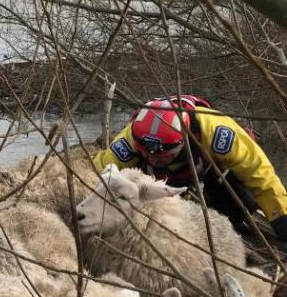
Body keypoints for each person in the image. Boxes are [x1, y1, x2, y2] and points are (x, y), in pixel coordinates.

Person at [94, 95, 287, 243]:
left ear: (183, 140)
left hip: (211, 175)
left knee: (242, 198)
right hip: (155, 183)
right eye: (147, 153)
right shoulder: (131, 137)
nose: (153, 157)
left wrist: (281, 218)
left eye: (161, 155)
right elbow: (99, 170)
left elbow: (260, 174)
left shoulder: (218, 132)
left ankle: (234, 220)